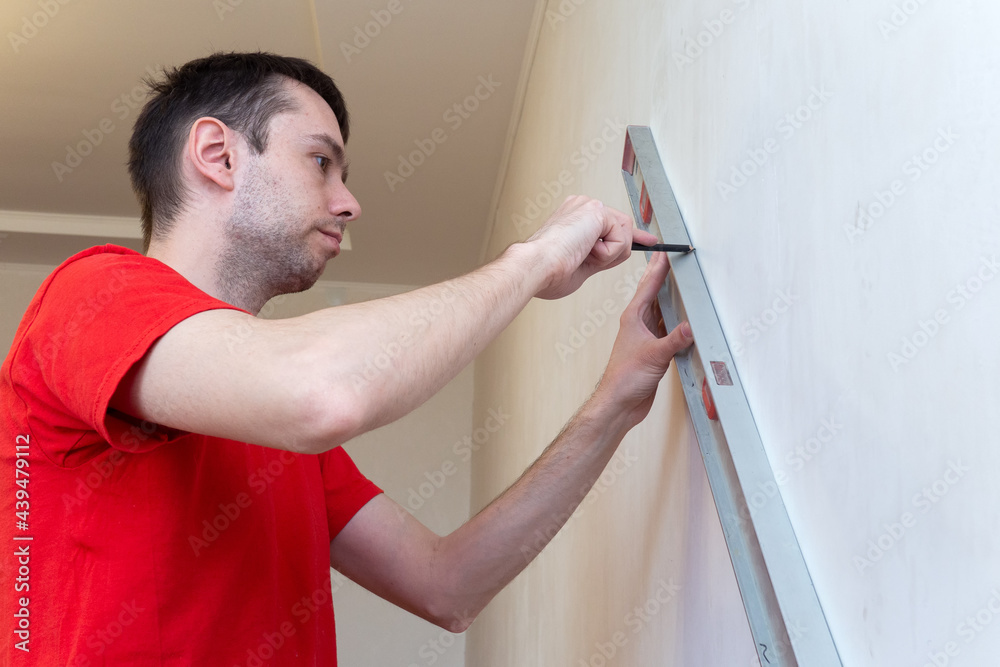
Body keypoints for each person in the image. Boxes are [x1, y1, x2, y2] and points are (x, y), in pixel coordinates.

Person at [0, 52, 692, 665]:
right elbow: (323, 392)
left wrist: (614, 403)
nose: (349, 202)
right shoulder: (94, 293)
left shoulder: (275, 431)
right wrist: (536, 259)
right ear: (218, 154)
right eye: (321, 161)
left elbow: (448, 584)